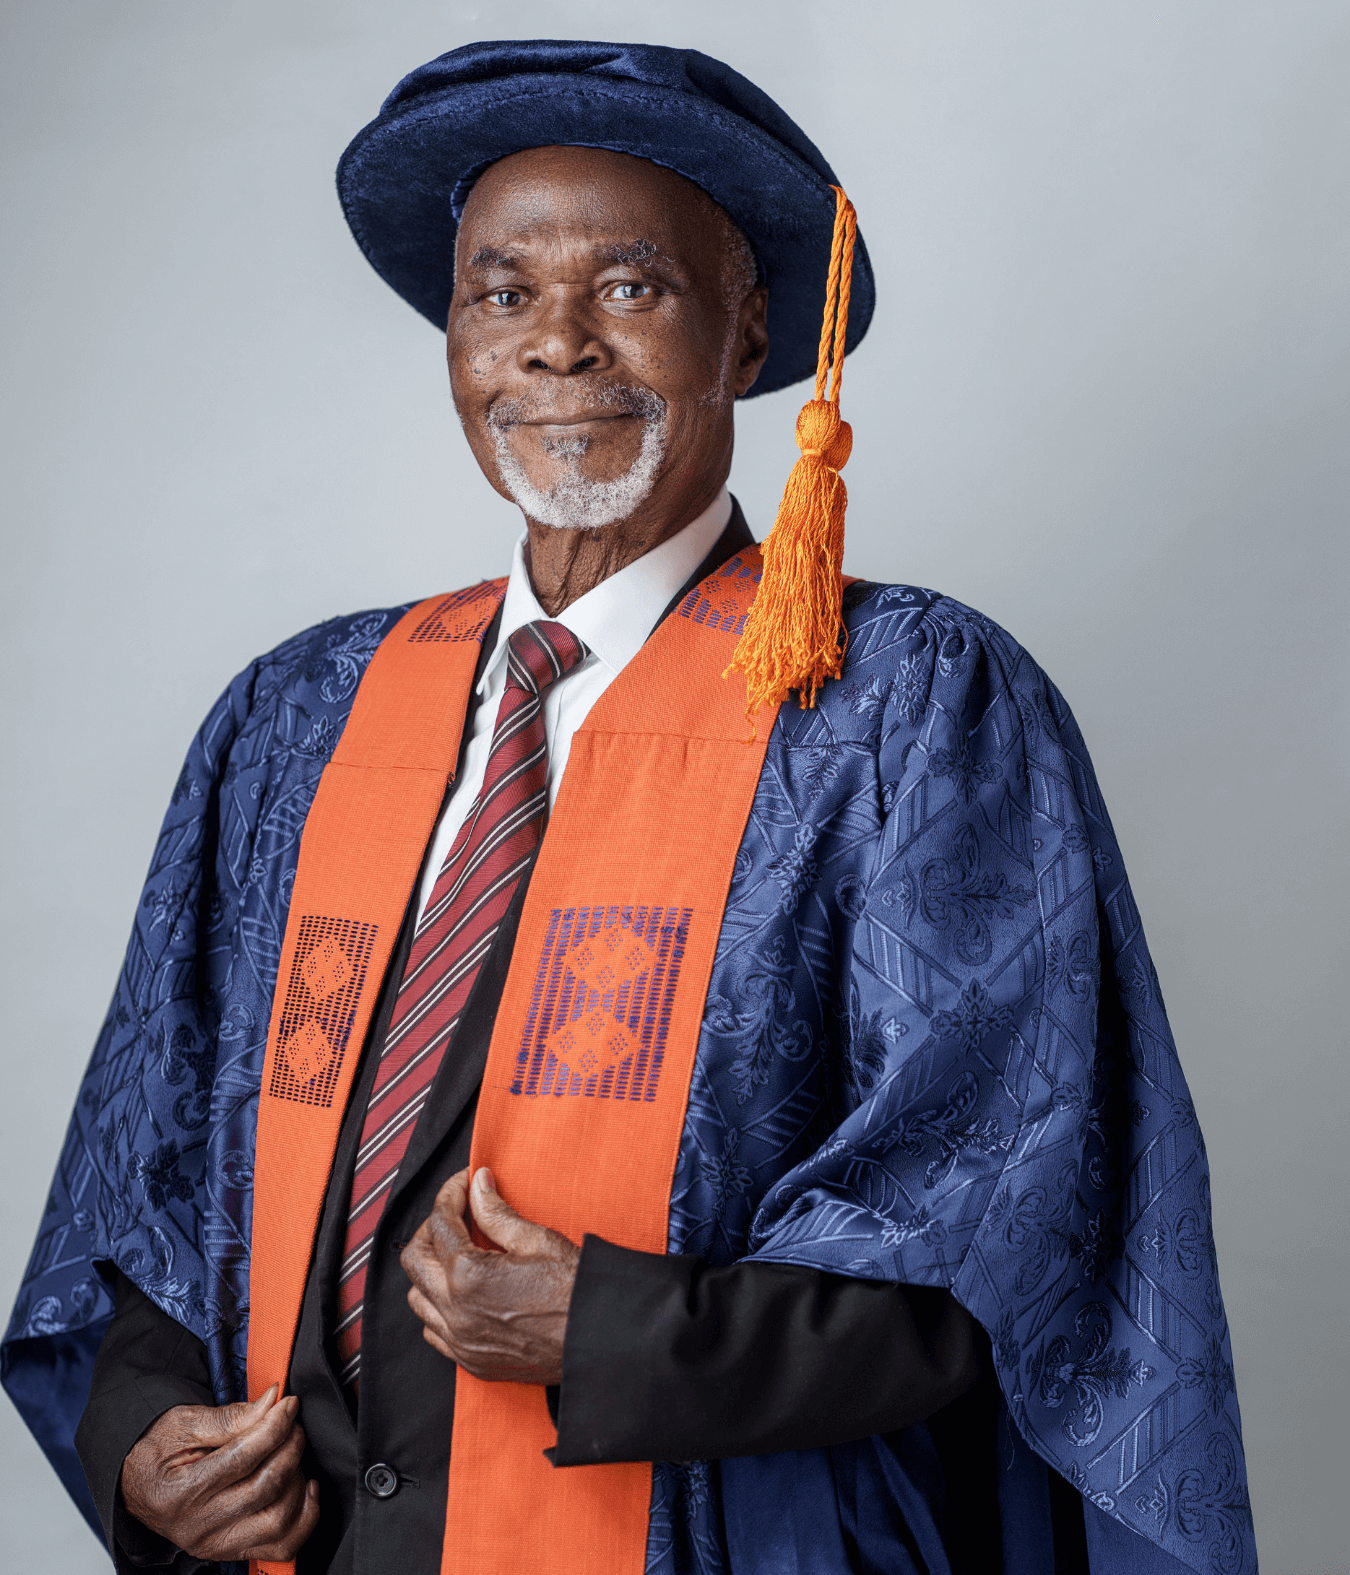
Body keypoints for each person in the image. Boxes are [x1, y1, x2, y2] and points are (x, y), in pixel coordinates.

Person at [3, 39, 1254, 1575]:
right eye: (500, 293)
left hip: (711, 1537)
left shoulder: (907, 706)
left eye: (630, 286)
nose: (556, 346)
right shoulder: (296, 719)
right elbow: (146, 1167)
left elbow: (1004, 1210)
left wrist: (621, 1330)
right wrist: (142, 1432)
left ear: (745, 333)